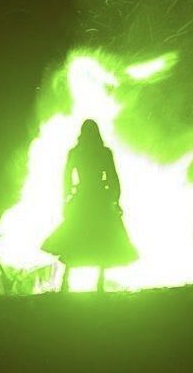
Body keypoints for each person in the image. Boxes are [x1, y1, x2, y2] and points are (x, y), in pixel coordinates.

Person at [42, 119, 138, 291]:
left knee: (75, 237)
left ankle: (66, 280)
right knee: (103, 238)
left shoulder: (75, 152)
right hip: (99, 198)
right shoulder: (104, 152)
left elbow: (66, 179)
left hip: (83, 198)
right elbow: (113, 178)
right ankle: (99, 282)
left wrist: (67, 197)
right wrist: (115, 198)